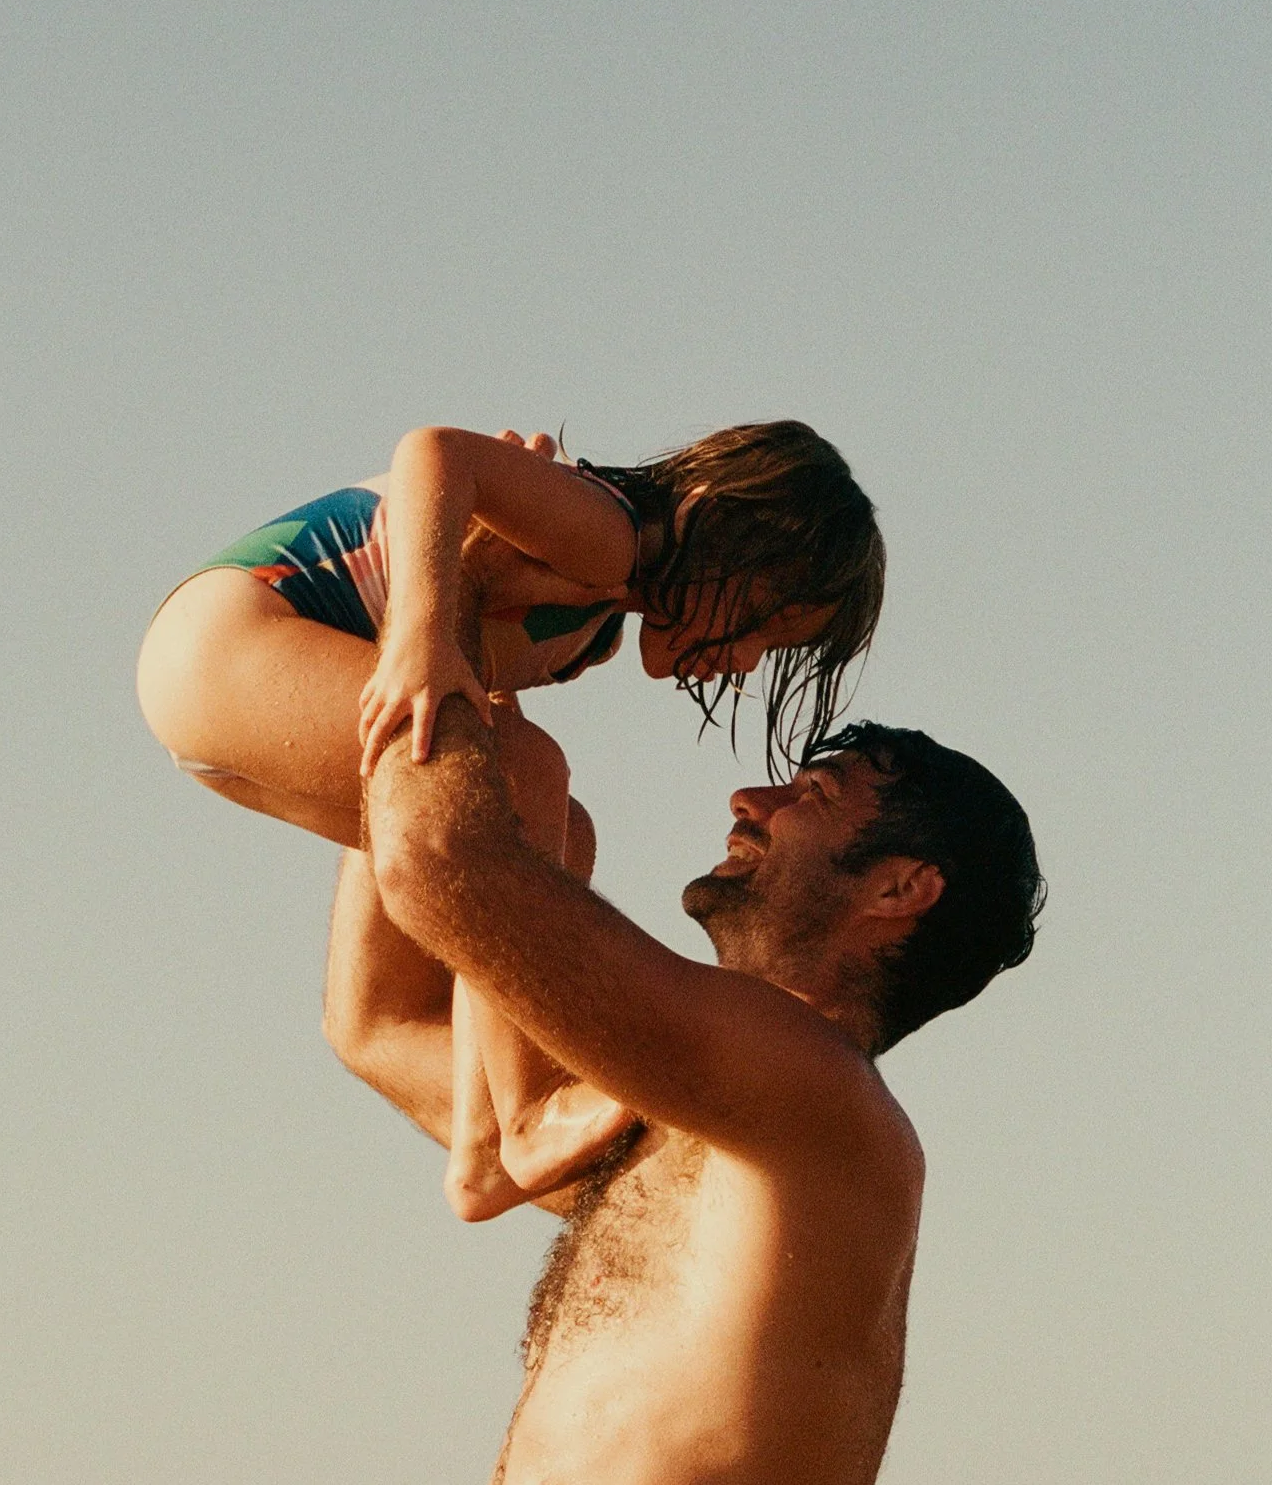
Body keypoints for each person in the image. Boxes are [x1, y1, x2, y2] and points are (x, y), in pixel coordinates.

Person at [333, 705, 1044, 1485]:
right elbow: (382, 1020)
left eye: (812, 795)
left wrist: (452, 642)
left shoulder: (812, 1097)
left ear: (899, 889)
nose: (745, 801)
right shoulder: (670, 1144)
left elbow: (440, 863)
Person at [137, 421, 884, 1220]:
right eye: (759, 619)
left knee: (563, 828)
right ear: (711, 516)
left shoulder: (591, 631)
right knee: (528, 770)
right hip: (231, 639)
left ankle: (486, 1121)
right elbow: (435, 454)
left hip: (236, 709)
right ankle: (513, 1123)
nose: (742, 659)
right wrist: (421, 638)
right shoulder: (609, 534)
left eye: (772, 651)